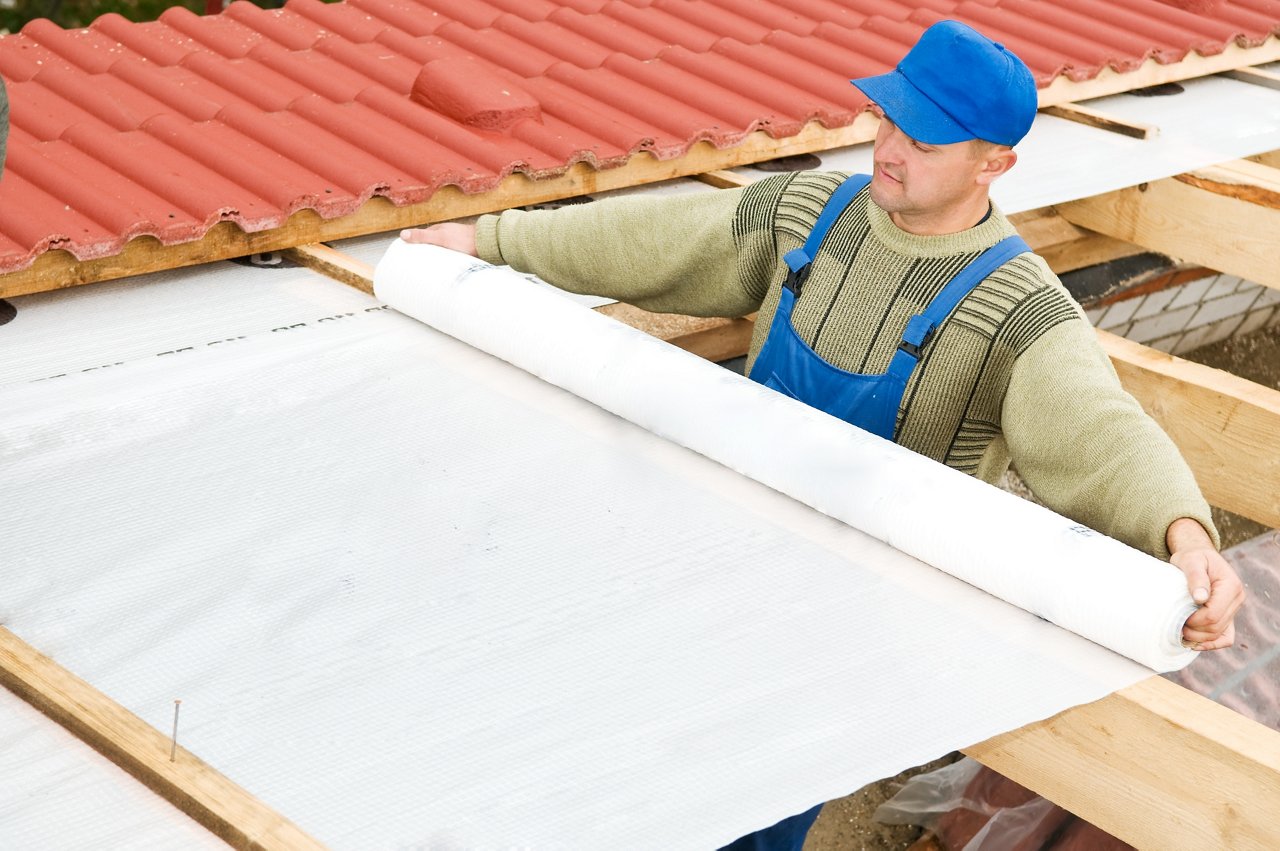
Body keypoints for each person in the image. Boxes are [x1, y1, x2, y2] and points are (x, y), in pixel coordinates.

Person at [404, 20, 1244, 849]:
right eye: (887, 118)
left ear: (996, 163)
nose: (887, 147)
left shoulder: (1021, 314)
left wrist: (1183, 535)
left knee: (755, 811)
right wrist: (486, 239)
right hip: (714, 556)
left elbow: (1101, 431)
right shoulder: (806, 213)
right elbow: (645, 241)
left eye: (923, 138)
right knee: (641, 764)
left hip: (847, 634)